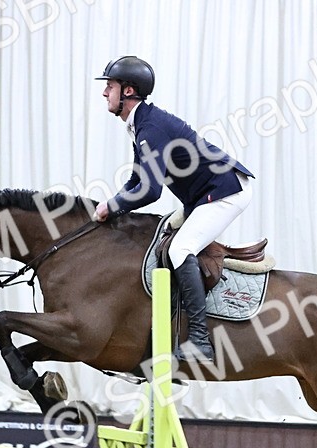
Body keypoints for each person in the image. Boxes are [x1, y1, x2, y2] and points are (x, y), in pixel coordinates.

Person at [93, 56, 255, 363]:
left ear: (128, 91)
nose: (105, 93)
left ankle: (200, 342)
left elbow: (151, 191)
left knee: (181, 249)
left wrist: (111, 207)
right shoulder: (142, 124)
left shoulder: (150, 127)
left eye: (109, 86)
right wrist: (110, 206)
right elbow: (136, 179)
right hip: (205, 193)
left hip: (226, 191)